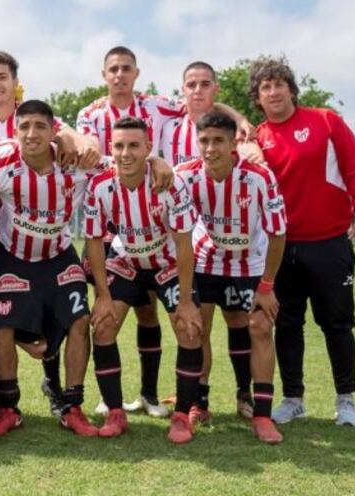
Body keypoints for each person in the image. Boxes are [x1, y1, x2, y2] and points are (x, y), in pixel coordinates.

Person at [249, 58, 355, 427]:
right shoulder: (257, 138)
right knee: (288, 324)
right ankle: (293, 399)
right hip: (281, 248)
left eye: (279, 84)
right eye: (265, 87)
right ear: (258, 98)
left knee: (337, 324)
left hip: (329, 243)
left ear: (291, 89)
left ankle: (346, 401)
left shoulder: (324, 120)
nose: (273, 92)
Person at [0, 100, 104, 437]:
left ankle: (72, 405)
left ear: (53, 130)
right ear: (14, 132)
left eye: (40, 126)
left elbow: (125, 164)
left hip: (59, 256)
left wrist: (157, 161)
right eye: (24, 127)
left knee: (79, 320)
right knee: (1, 324)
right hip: (14, 256)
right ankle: (8, 406)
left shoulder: (75, 163)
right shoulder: (0, 161)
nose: (31, 134)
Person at [84, 116, 203, 444]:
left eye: (135, 146)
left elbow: (183, 242)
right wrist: (103, 296)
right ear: (111, 149)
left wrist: (187, 301)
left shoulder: (169, 183)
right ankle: (115, 412)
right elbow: (94, 242)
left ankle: (181, 416)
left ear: (149, 148)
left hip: (166, 263)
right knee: (104, 326)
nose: (126, 153)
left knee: (189, 329)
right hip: (127, 261)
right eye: (119, 146)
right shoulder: (101, 186)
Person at [159, 61, 264, 418]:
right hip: (194, 244)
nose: (198, 90)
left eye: (206, 84)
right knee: (196, 324)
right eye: (192, 84)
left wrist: (240, 122)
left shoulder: (240, 135)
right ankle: (197, 398)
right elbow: (126, 96)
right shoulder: (167, 120)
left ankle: (243, 395)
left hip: (241, 248)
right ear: (182, 89)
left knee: (239, 322)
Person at [175, 112, 287, 443]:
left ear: (233, 142)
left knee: (261, 327)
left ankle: (262, 414)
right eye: (204, 141)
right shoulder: (186, 176)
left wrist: (266, 287)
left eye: (218, 141)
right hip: (206, 261)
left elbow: (278, 233)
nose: (210, 149)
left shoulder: (259, 177)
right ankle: (200, 402)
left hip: (250, 264)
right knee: (198, 328)